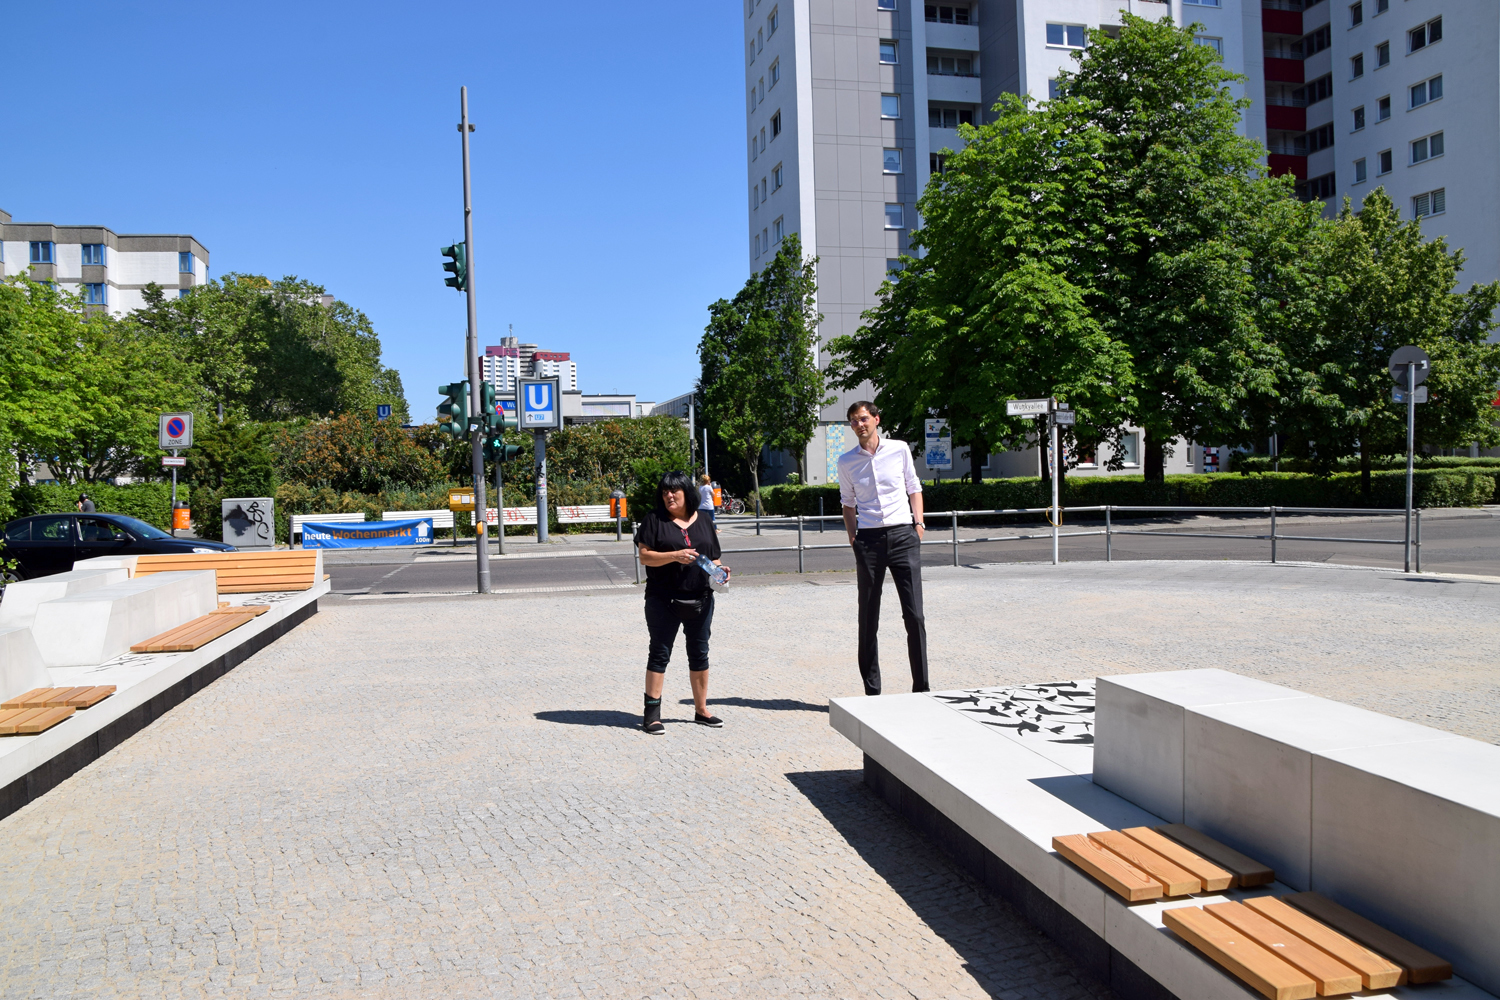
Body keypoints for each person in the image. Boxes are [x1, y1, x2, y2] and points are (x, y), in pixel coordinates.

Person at [838, 400, 929, 697]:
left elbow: (913, 487)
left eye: (863, 419)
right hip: (869, 541)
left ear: (876, 419)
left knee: (914, 615)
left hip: (903, 535)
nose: (859, 425)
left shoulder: (899, 449)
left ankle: (922, 689)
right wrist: (854, 539)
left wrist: (918, 525)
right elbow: (848, 503)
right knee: (868, 616)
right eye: (853, 421)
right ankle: (872, 692)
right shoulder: (846, 461)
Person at [634, 470, 730, 735]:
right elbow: (645, 557)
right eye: (664, 491)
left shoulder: (705, 522)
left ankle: (701, 710)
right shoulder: (654, 520)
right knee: (660, 653)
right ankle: (651, 715)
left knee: (699, 653)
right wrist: (674, 555)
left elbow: (714, 558)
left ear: (687, 493)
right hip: (663, 599)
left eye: (674, 490)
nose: (668, 495)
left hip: (701, 598)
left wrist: (721, 572)